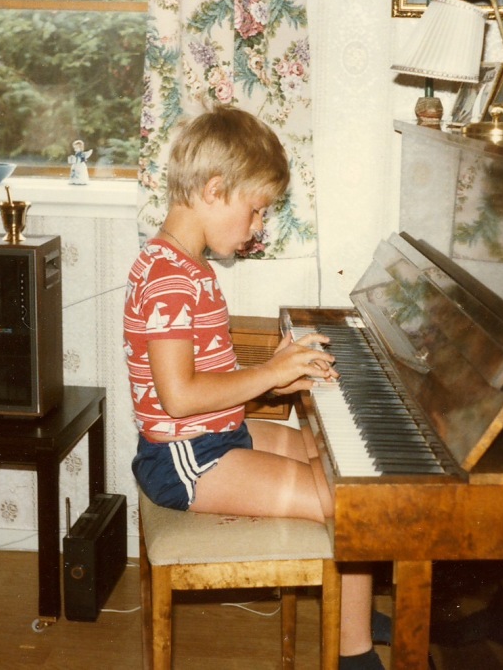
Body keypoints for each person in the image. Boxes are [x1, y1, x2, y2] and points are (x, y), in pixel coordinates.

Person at [124, 106, 384, 670]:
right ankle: (356, 652)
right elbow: (180, 397)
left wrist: (278, 370)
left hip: (217, 435)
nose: (258, 226)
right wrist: (271, 373)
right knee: (351, 502)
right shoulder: (170, 278)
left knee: (339, 463)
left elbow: (207, 372)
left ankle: (355, 611)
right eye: (257, 209)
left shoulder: (183, 265)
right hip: (187, 458)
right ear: (215, 191)